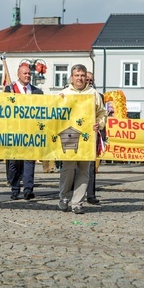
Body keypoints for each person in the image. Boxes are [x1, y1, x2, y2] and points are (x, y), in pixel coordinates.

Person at [58, 64, 107, 214]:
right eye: (77, 75)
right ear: (71, 78)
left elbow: (102, 113)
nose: (79, 78)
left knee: (84, 170)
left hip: (88, 137)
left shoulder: (94, 94)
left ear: (86, 77)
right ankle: (64, 197)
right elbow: (55, 113)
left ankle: (77, 202)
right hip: (69, 135)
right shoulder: (64, 93)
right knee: (68, 168)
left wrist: (99, 124)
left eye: (82, 75)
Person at [4, 63, 43, 200]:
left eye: (29, 74)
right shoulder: (9, 90)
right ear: (18, 74)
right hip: (14, 132)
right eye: (24, 73)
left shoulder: (37, 92)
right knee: (14, 163)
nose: (27, 76)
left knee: (29, 162)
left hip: (30, 132)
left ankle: (28, 189)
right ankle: (15, 189)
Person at [86, 70, 105, 205]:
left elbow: (102, 115)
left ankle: (91, 194)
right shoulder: (72, 93)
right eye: (87, 79)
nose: (89, 81)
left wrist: (100, 124)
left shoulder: (98, 96)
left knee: (91, 166)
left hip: (92, 135)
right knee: (74, 166)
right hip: (76, 134)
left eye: (91, 80)